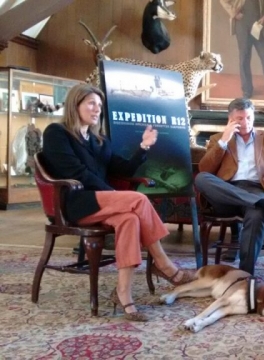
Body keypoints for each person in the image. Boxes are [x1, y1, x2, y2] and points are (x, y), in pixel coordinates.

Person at [41, 84, 195, 322]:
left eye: (100, 106)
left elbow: (122, 168)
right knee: (138, 199)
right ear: (75, 104)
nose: (97, 110)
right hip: (76, 202)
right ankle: (165, 266)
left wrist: (143, 146)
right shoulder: (56, 133)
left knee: (130, 218)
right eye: (91, 103)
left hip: (103, 202)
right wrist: (113, 194)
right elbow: (76, 173)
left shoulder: (99, 140)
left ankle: (123, 292)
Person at [195, 97, 264, 275]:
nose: (245, 122)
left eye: (248, 118)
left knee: (258, 213)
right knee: (201, 178)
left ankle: (245, 275)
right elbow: (205, 168)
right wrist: (224, 140)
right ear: (230, 119)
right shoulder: (218, 139)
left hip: (256, 188)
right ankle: (263, 203)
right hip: (225, 192)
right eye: (239, 118)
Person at [220, 0, 264, 99]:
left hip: (258, 27)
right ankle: (247, 90)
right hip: (242, 26)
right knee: (244, 58)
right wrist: (234, 13)